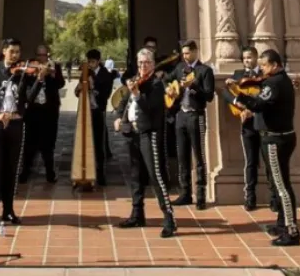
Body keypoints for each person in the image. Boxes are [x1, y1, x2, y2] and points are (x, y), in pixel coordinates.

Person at [221, 48, 300, 246]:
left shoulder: (274, 83)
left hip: (275, 139)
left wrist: (238, 95)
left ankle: (291, 231)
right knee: (279, 182)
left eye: (264, 65)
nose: (262, 69)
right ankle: (282, 224)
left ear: (274, 65)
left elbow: (257, 105)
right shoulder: (280, 80)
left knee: (282, 187)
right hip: (279, 137)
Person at [0, 38, 49, 229]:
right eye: (12, 51)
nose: (15, 56)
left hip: (16, 124)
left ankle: (8, 210)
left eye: (18, 52)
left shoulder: (23, 74)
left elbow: (29, 98)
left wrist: (40, 79)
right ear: (4, 51)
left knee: (12, 169)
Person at [113, 48, 177, 238]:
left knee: (156, 176)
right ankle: (137, 214)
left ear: (153, 64)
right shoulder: (135, 80)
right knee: (135, 176)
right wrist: (118, 116)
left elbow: (149, 108)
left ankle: (169, 219)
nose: (143, 66)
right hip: (132, 133)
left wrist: (137, 94)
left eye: (147, 63)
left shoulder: (156, 84)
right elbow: (124, 101)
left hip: (149, 134)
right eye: (140, 63)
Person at [226, 46, 276, 212]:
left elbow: (267, 99)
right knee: (250, 162)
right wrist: (238, 104)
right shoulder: (238, 74)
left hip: (263, 124)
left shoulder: (264, 75)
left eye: (249, 57)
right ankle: (250, 197)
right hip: (247, 126)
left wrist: (252, 111)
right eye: (244, 58)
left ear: (256, 58)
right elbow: (226, 93)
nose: (246, 60)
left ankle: (274, 198)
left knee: (269, 162)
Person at [167, 39, 215, 210]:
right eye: (183, 54)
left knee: (199, 155)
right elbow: (167, 79)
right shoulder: (180, 68)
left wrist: (193, 86)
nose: (185, 56)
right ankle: (185, 193)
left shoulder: (205, 71)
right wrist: (169, 89)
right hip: (181, 114)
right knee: (182, 155)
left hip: (196, 115)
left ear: (195, 52)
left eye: (188, 53)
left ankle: (200, 195)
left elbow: (209, 96)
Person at [19, 45, 65, 184]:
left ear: (47, 55)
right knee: (29, 143)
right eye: (39, 55)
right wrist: (37, 76)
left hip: (49, 111)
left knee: (48, 144)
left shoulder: (54, 66)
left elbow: (60, 84)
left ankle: (50, 173)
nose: (41, 58)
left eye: (44, 55)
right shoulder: (30, 67)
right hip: (33, 111)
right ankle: (25, 172)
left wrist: (51, 75)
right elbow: (25, 89)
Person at [74, 48, 116, 184]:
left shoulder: (106, 75)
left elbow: (105, 95)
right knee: (83, 141)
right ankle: (84, 170)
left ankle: (101, 173)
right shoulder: (85, 73)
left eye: (93, 62)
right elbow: (77, 92)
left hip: (98, 111)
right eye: (89, 61)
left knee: (99, 143)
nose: (90, 64)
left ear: (98, 61)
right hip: (85, 110)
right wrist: (79, 88)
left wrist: (93, 87)